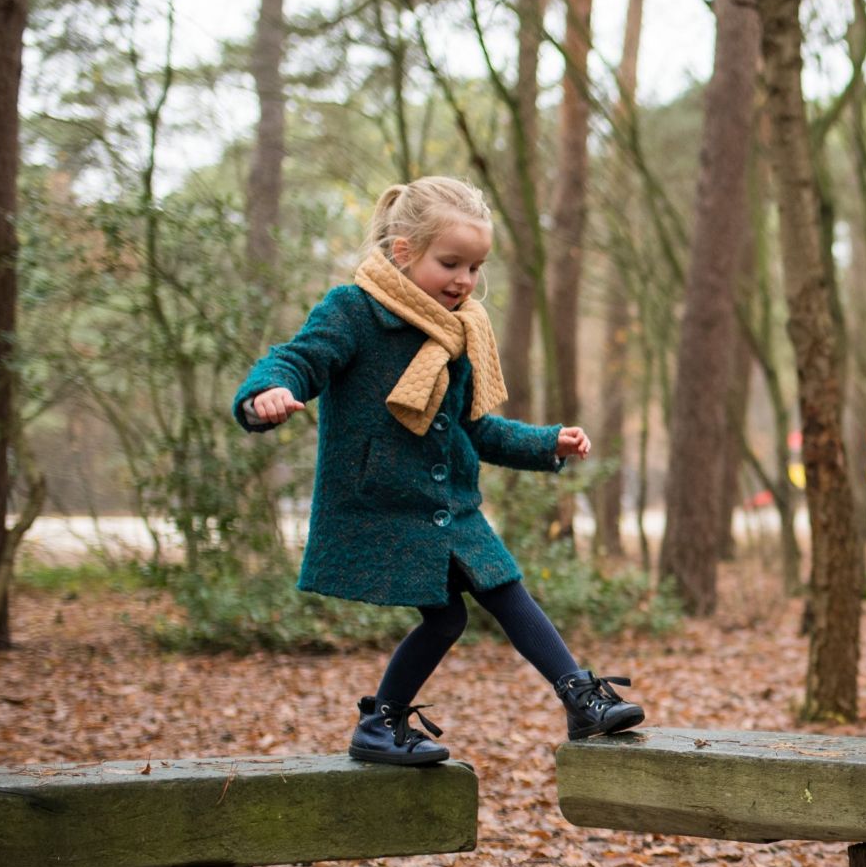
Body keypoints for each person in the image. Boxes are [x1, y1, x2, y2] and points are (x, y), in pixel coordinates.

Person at [233, 175, 644, 766]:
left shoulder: (461, 332)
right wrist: (266, 394)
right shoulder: (354, 312)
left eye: (476, 268)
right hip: (384, 501)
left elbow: (476, 429)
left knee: (483, 598)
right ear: (404, 252)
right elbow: (296, 360)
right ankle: (402, 720)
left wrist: (546, 443)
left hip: (450, 504)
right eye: (451, 263)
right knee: (467, 606)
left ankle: (567, 698)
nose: (465, 282)